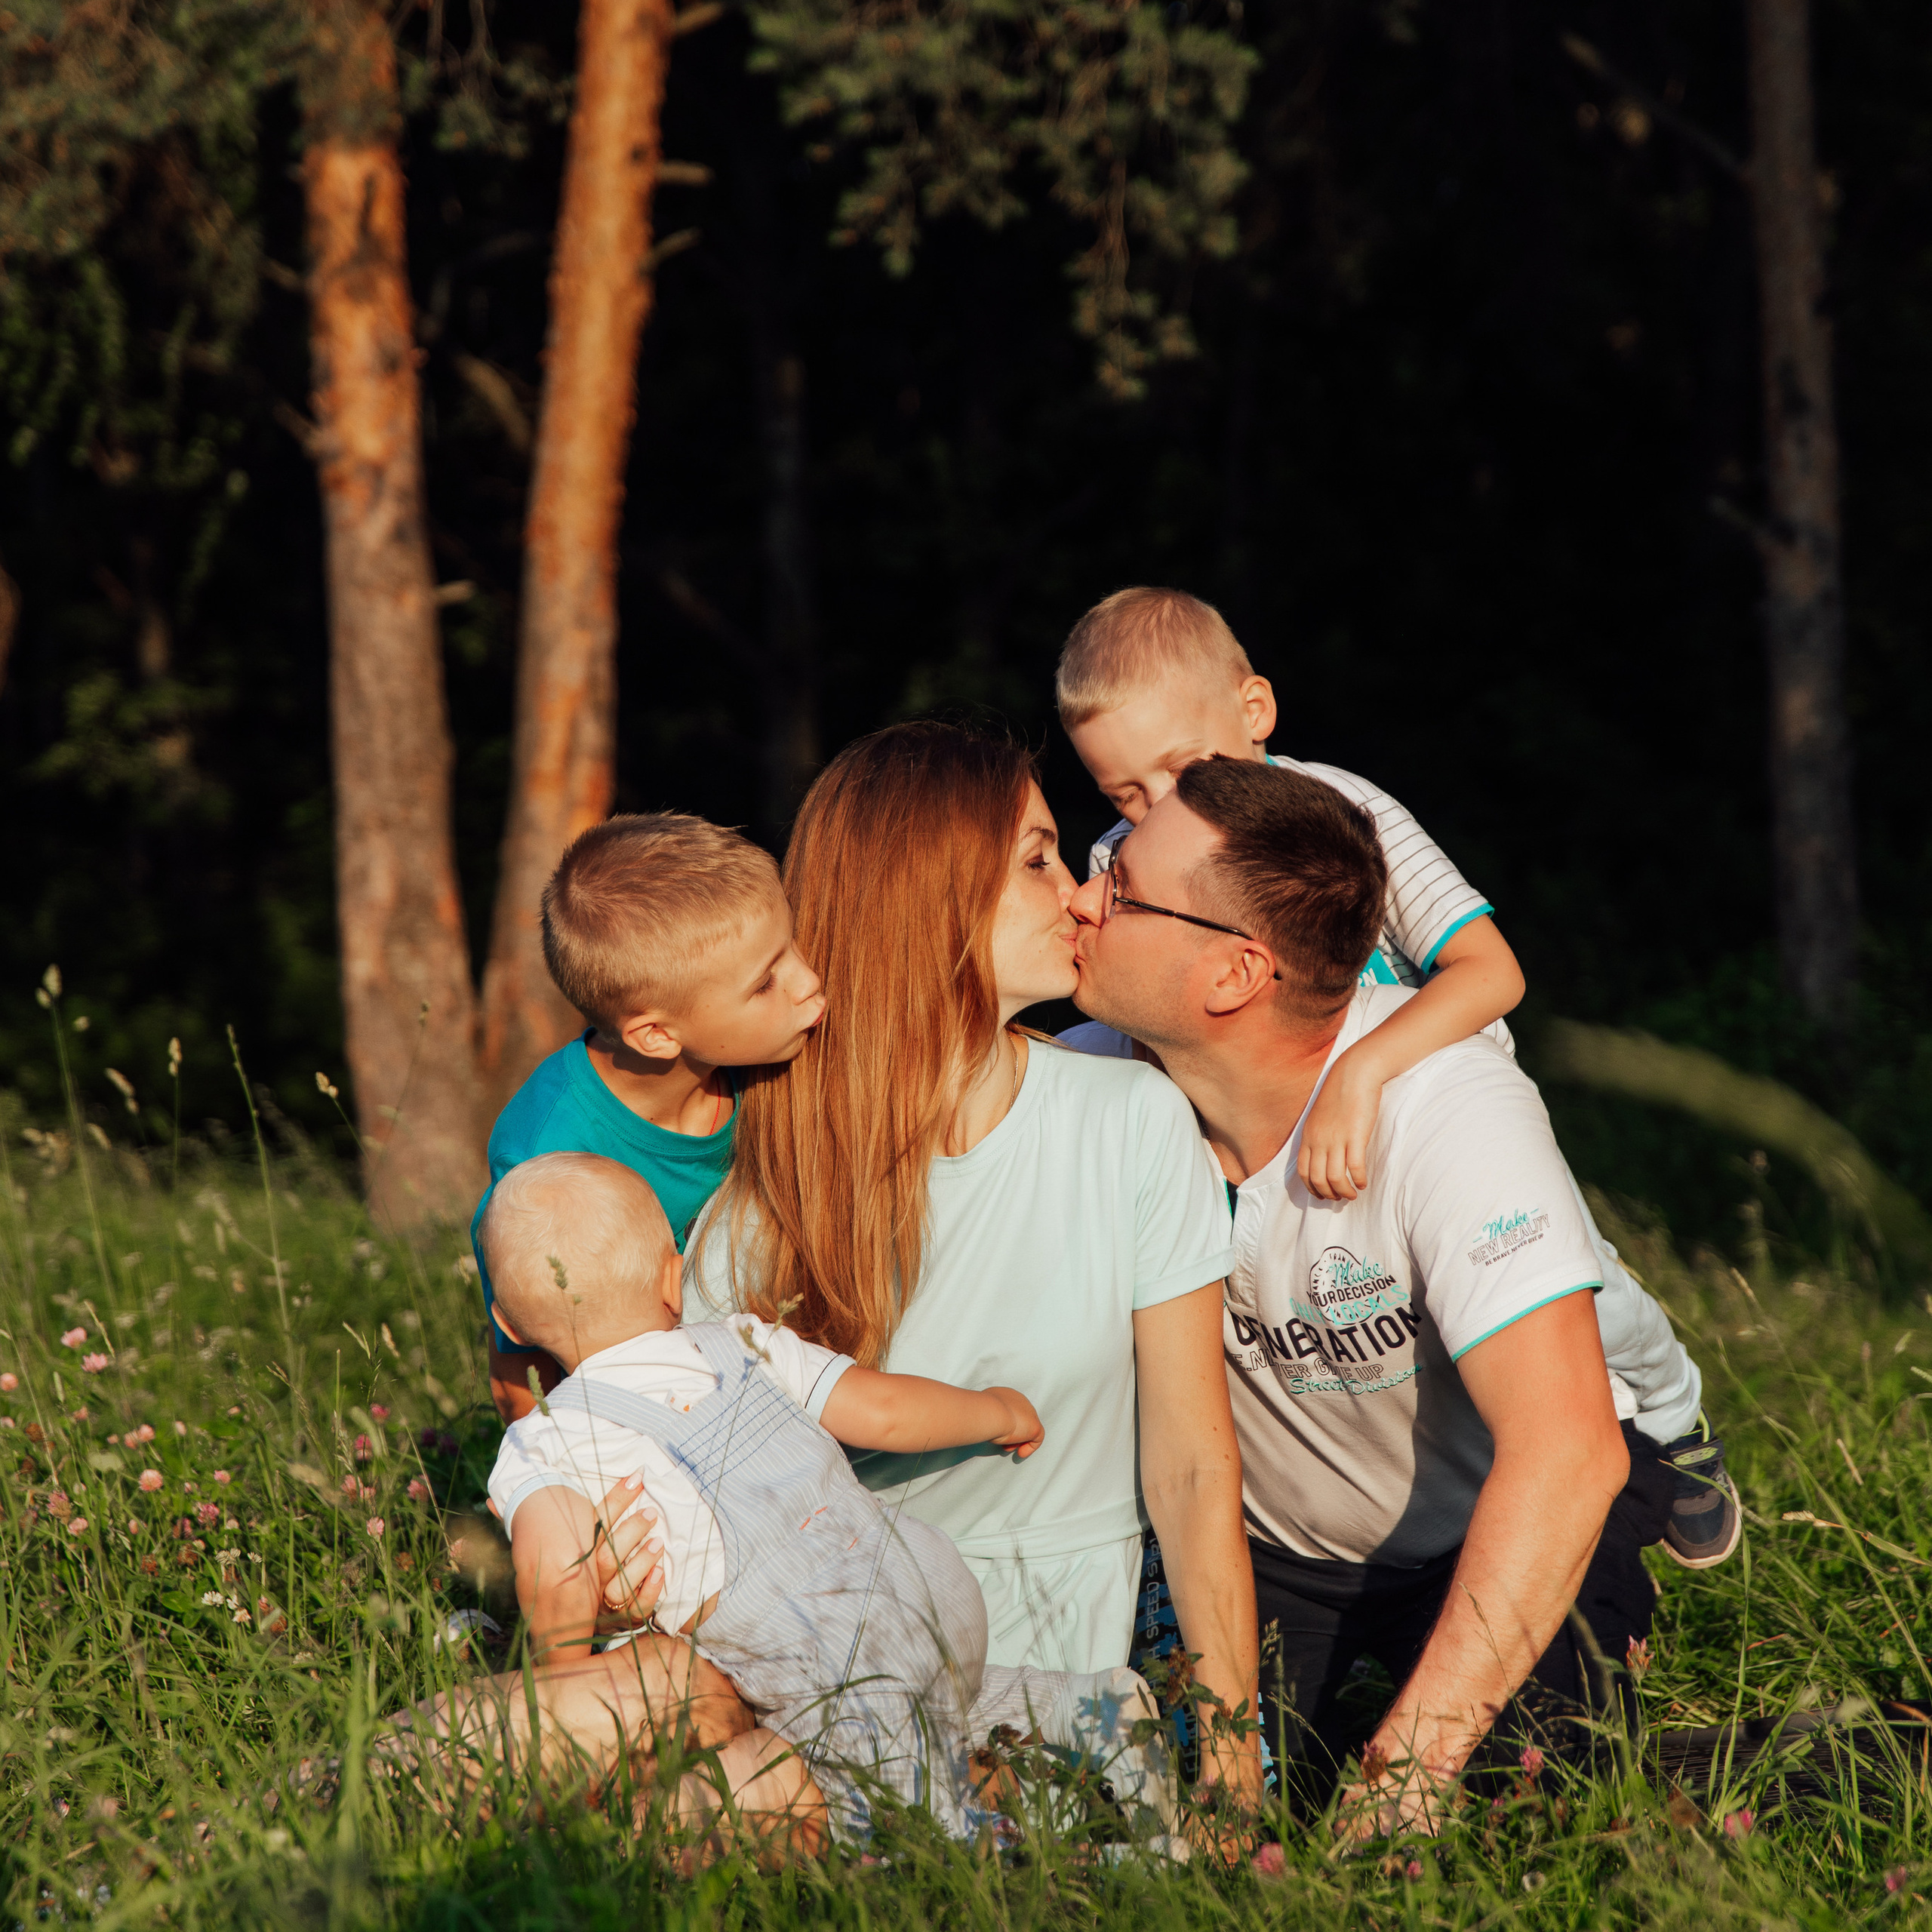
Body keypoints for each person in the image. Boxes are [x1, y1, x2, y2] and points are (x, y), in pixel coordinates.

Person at [1064, 754, 1691, 1831]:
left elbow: (1569, 1451)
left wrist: (1407, 1774)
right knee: (1161, 1813)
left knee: (1525, 1803)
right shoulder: (1087, 1085)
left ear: (1233, 977)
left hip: (1483, 1534)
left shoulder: (1448, 1108)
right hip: (1273, 1563)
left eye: (1120, 885)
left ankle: (1861, 1755)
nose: (1083, 895)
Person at [1054, 587, 1735, 1567]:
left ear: (1255, 711)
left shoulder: (1348, 811)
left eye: (1183, 770)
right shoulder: (1126, 862)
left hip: (1438, 1127)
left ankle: (1672, 1422)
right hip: (1277, 1152)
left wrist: (1364, 1073)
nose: (1159, 811)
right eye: (1124, 795)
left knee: (1588, 1292)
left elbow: (1491, 972)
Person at [685, 721, 1262, 1792]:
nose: (1085, 896)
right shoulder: (761, 1213)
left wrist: (1234, 1759)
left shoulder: (1129, 1121)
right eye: (1039, 860)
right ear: (929, 898)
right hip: (841, 1695)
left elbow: (1191, 1467)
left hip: (1069, 1708)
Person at [395, 1151, 1168, 1855]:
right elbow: (885, 1411)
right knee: (935, 1705)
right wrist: (996, 1411)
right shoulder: (742, 1342)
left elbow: (555, 1568)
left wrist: (558, 1666)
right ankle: (1086, 1705)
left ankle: (1079, 1867)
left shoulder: (553, 1437)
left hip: (809, 1651)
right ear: (673, 1273)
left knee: (894, 1820)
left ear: (506, 1323)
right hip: (926, 1576)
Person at [471, 814, 825, 1424]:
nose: (810, 982)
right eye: (766, 983)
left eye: (793, 946)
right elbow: (524, 1373)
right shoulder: (549, 1160)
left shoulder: (768, 1057)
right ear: (658, 1034)